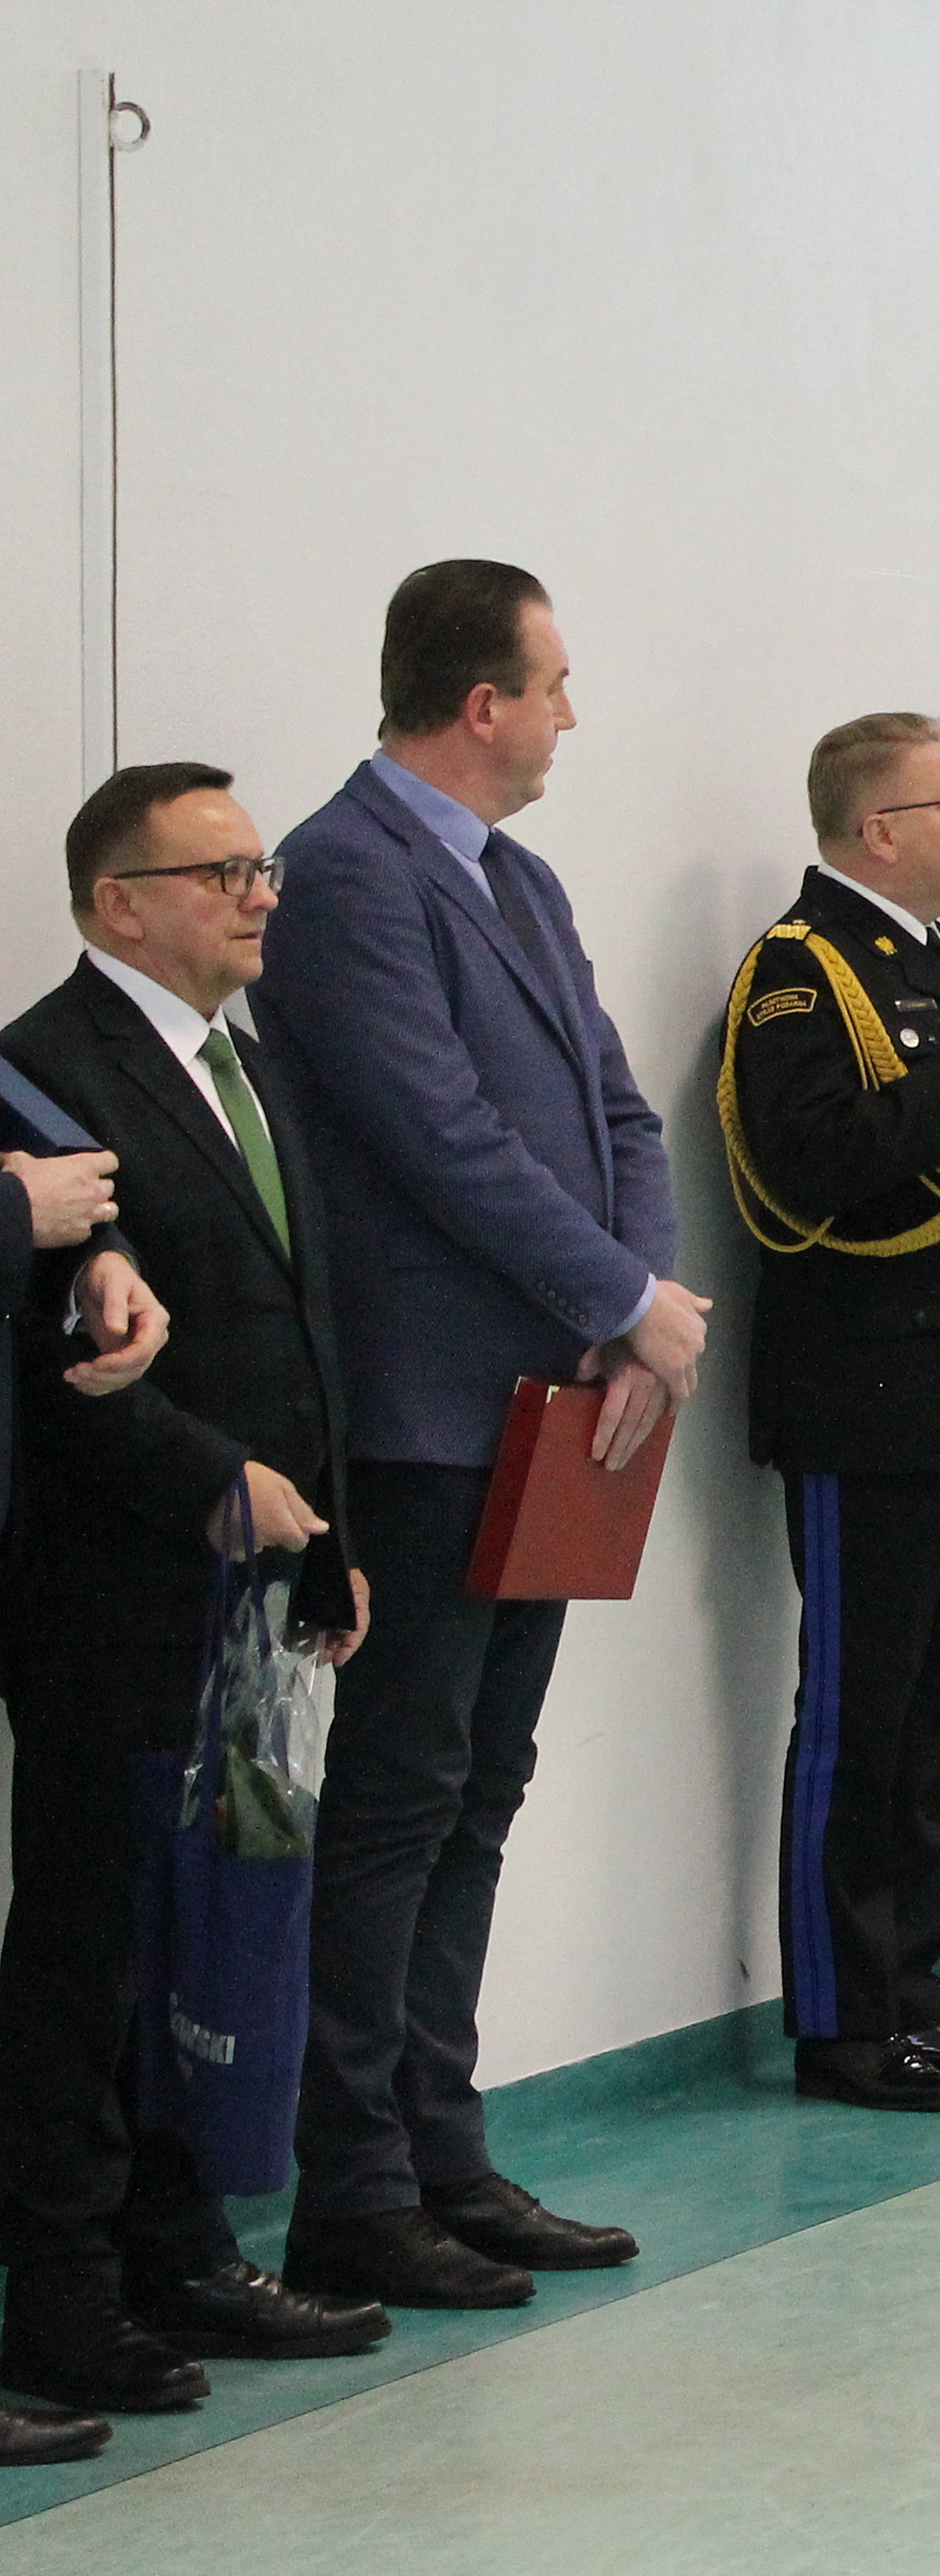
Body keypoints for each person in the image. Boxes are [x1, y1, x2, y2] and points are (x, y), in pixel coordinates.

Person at [261, 560, 701, 2310]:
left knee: (482, 1789)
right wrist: (623, 1300)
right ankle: (354, 2187)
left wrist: (637, 1305)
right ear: (481, 702)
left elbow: (616, 1110)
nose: (571, 716)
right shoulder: (346, 872)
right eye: (555, 684)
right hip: (427, 1415)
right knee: (399, 1799)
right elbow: (434, 1133)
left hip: (553, 1413)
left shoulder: (515, 876)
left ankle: (444, 2152)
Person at [0, 767, 385, 2443]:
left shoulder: (249, 1059)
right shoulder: (43, 1074)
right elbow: (61, 1359)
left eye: (260, 868)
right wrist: (217, 1479)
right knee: (91, 1946)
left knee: (208, 1931)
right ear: (118, 903)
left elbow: (294, 1319)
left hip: (253, 1577)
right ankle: (62, 2290)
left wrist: (326, 1533)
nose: (257, 895)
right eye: (219, 872)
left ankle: (184, 2250)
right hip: (112, 1582)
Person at [718, 713, 940, 2109]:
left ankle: (917, 2000)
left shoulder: (937, 962)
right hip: (866, 1407)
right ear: (877, 830)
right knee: (857, 1729)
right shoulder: (798, 974)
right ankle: (843, 2024)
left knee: (936, 1731)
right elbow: (813, 1165)